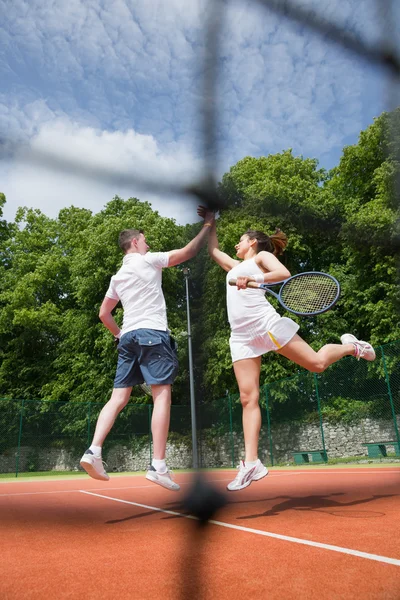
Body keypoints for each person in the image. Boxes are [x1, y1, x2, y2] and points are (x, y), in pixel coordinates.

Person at [205, 217, 375, 492]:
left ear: (252, 241)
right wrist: (209, 223)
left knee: (318, 364)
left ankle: (352, 346)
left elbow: (283, 273)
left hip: (265, 324)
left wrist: (254, 278)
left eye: (240, 238)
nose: (235, 243)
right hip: (241, 337)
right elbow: (213, 251)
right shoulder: (234, 268)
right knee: (248, 398)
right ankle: (251, 463)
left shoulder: (260, 257)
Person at [80, 208, 215, 491]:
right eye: (145, 240)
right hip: (152, 333)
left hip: (128, 337)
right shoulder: (148, 260)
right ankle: (158, 465)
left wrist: (118, 335)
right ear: (136, 243)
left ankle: (93, 450)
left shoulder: (117, 276)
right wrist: (208, 224)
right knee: (162, 395)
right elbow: (188, 252)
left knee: (118, 398)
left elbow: (104, 313)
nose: (149, 244)